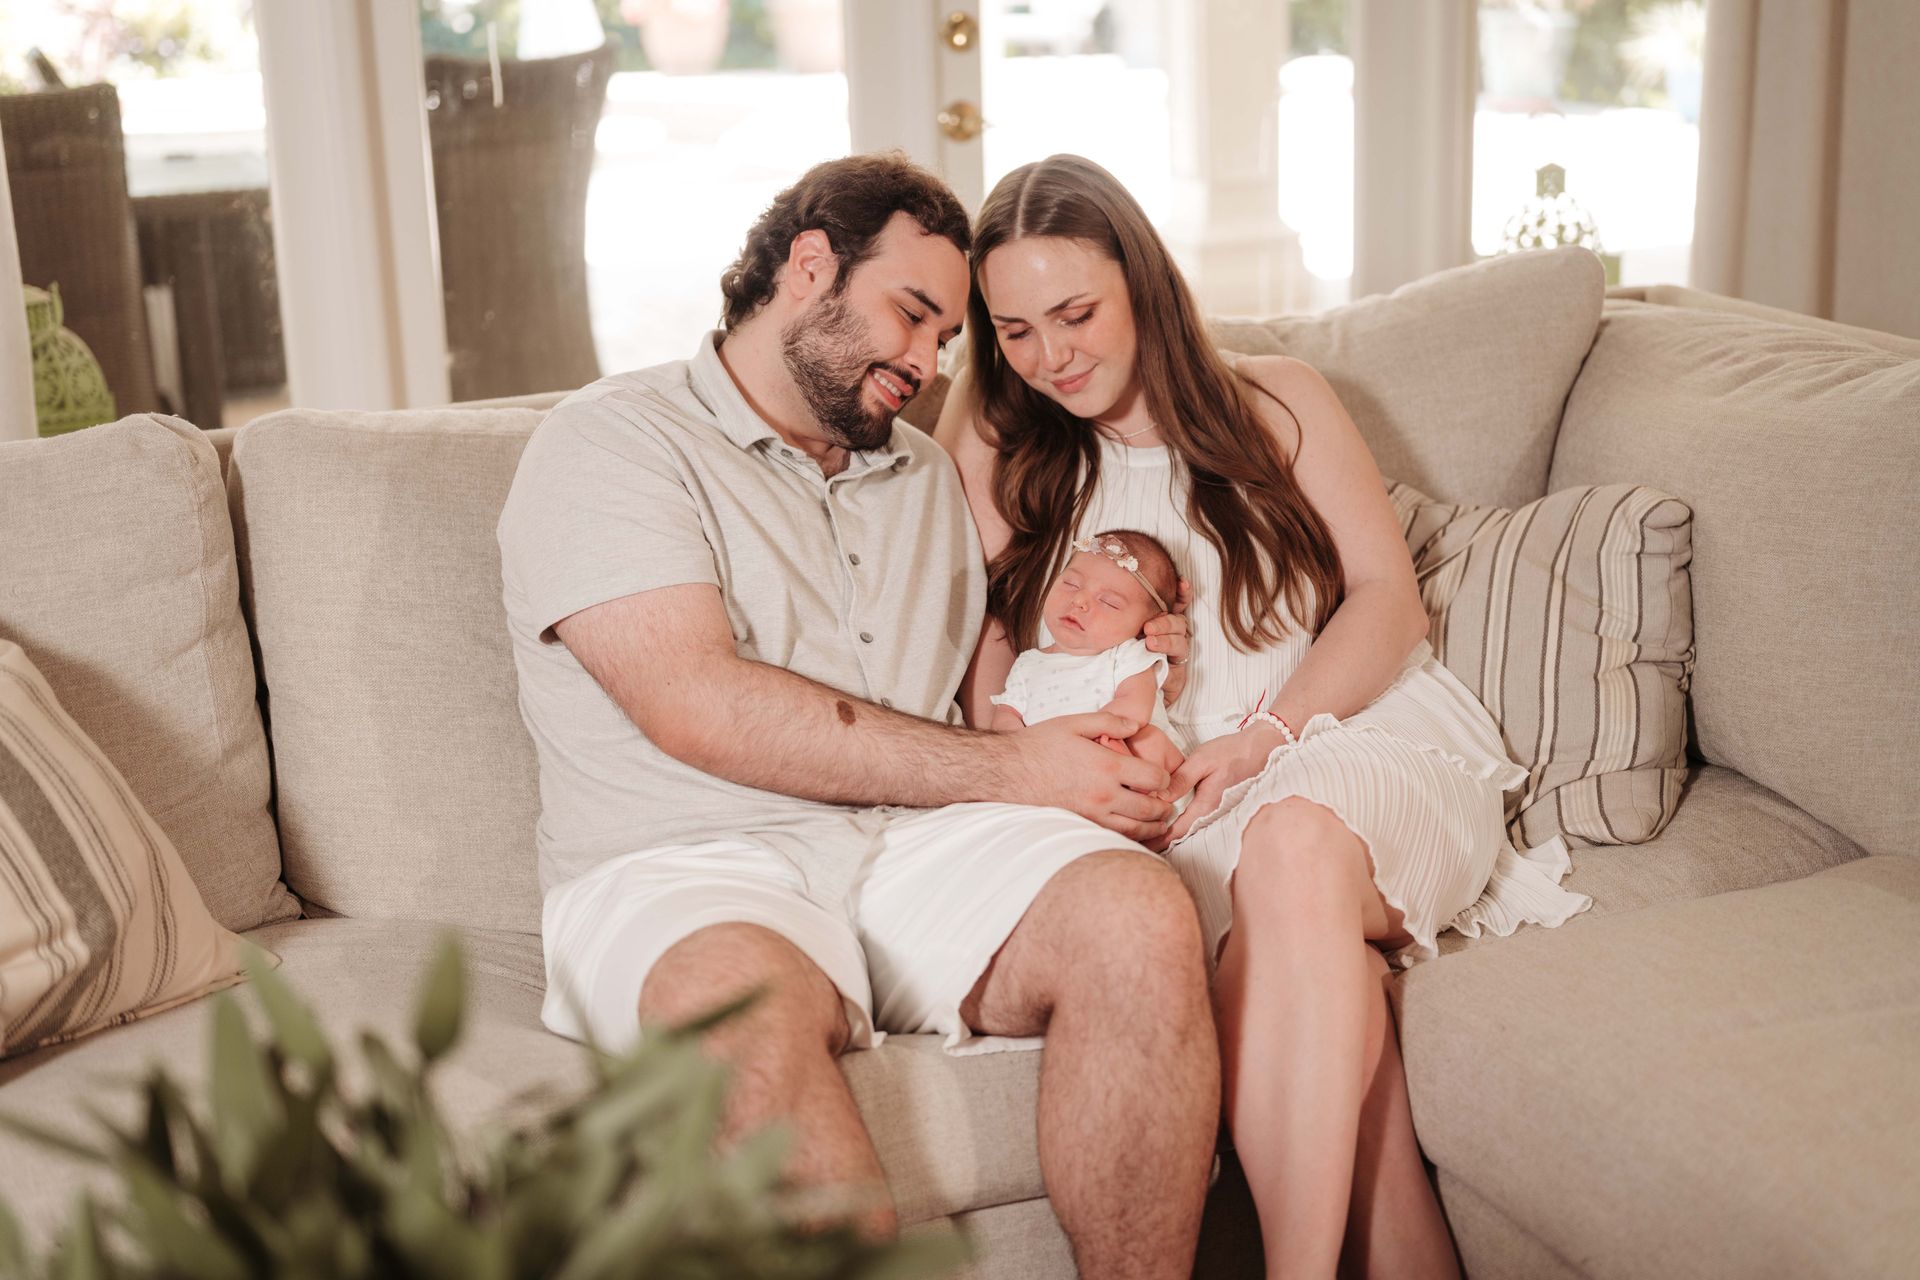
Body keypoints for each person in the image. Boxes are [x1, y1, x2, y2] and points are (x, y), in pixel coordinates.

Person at [495, 152, 1219, 1278]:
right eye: (912, 316)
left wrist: (1143, 659)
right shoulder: (612, 443)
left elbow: (1017, 635)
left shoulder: (924, 474)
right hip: (687, 865)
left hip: (902, 846)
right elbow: (702, 705)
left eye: (946, 342)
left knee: (1136, 911)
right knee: (733, 1007)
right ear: (809, 265)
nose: (928, 364)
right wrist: (1017, 769)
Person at [936, 153, 1592, 1279]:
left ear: (1142, 282)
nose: (1052, 356)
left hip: (1350, 741)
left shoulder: (1276, 398)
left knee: (1293, 845)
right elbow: (975, 652)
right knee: (1342, 1031)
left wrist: (1268, 736)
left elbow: (1389, 602)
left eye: (1076, 312)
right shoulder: (1008, 444)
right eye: (1016, 330)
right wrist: (1035, 752)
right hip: (1187, 806)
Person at [989, 528, 1186, 782]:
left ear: (1147, 624)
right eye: (1070, 584)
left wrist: (1091, 744)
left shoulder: (1126, 655)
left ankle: (1157, 797)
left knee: (1148, 741)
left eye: (1109, 602)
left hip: (1114, 751)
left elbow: (1133, 709)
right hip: (1049, 769)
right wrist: (1024, 749)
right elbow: (1005, 717)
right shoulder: (1028, 663)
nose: (1079, 600)